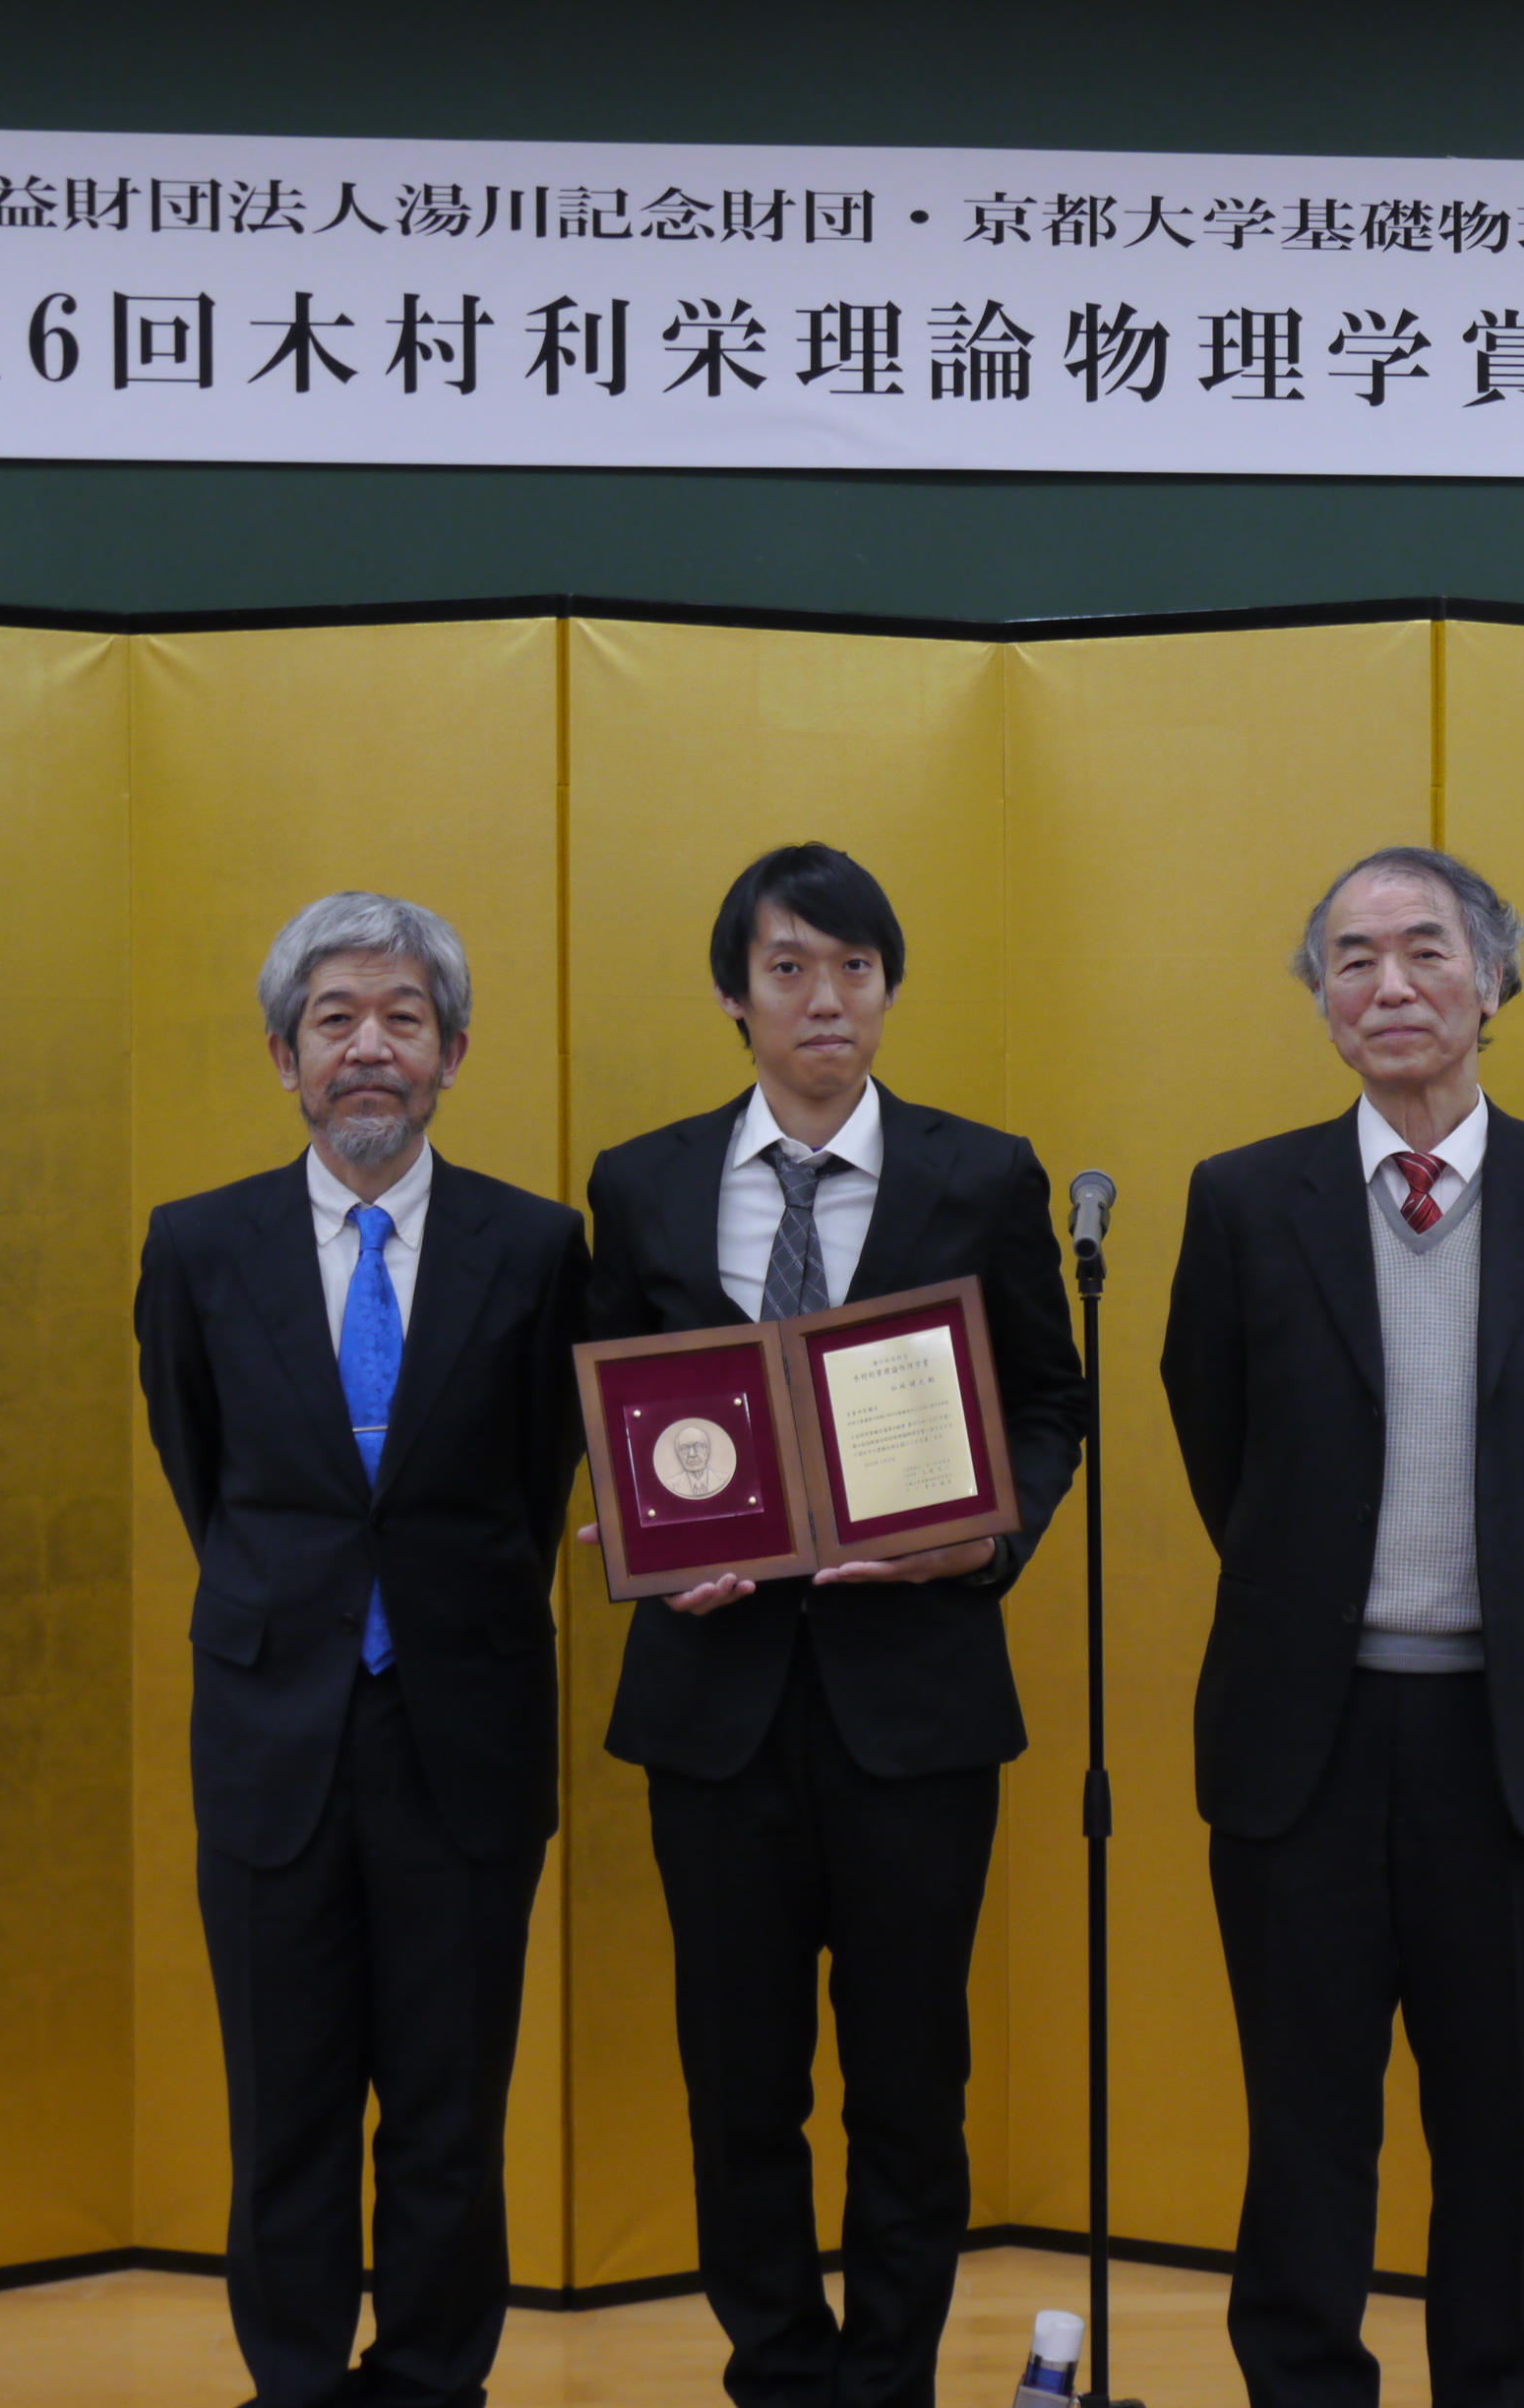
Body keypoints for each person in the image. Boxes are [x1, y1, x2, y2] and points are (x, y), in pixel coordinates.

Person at [1159, 846, 1524, 2408]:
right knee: (1304, 2119)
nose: (1391, 985)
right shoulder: (1245, 1200)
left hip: (1505, 1737)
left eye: (1427, 950)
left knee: (1499, 2122)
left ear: (1494, 979)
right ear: (1321, 1000)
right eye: (1353, 958)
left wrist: (1522, 1577)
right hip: (1301, 1736)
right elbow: (1215, 1432)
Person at [582, 842, 1085, 2408]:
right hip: (713, 1705)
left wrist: (984, 1541)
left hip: (915, 1704)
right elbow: (616, 1415)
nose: (824, 999)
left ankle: (888, 2379)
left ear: (889, 988)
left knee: (910, 2079)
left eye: (854, 968)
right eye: (788, 967)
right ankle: (779, 2372)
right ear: (732, 995)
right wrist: (642, 1546)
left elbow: (1049, 1402)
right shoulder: (642, 1181)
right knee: (739, 2082)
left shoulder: (981, 1174)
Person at [135, 892, 589, 2408]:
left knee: (451, 2118)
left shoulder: (539, 1249)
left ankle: (433, 2383)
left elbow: (535, 1482)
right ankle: (294, 2382)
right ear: (285, 1056)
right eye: (336, 1020)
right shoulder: (199, 1247)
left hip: (464, 1734)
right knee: (285, 2111)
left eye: (404, 1017)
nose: (370, 1048)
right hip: (274, 1738)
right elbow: (206, 1475)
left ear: (453, 1051)